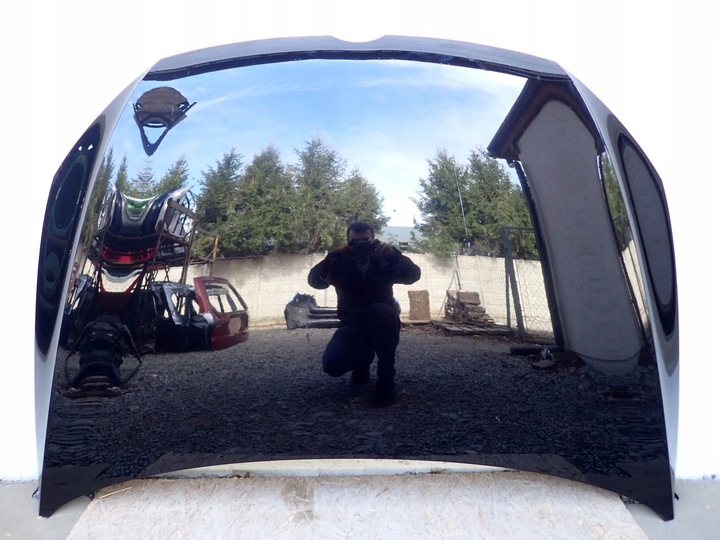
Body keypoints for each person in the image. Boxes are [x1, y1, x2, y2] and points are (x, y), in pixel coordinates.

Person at [308, 222, 421, 406]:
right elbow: (314, 280)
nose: (360, 246)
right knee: (332, 365)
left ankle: (386, 378)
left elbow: (413, 275)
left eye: (366, 241)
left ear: (374, 240)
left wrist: (393, 254)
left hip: (382, 323)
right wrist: (331, 259)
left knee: (381, 311)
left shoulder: (383, 259)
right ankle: (361, 363)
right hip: (352, 324)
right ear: (347, 243)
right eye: (354, 242)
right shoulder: (341, 259)